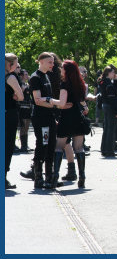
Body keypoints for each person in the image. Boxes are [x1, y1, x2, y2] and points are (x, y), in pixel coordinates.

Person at [39, 60, 89, 188]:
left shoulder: (65, 85)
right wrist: (85, 107)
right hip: (78, 117)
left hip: (67, 118)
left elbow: (61, 104)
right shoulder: (80, 84)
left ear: (66, 71)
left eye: (62, 68)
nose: (60, 69)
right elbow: (82, 101)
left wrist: (48, 99)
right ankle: (82, 176)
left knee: (59, 146)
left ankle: (55, 176)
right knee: (79, 147)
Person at [29, 52, 58, 188]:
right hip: (41, 118)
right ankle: (38, 177)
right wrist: (55, 103)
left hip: (49, 117)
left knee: (51, 145)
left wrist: (52, 105)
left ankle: (50, 177)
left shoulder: (47, 76)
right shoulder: (35, 78)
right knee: (42, 145)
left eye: (53, 62)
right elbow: (37, 100)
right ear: (41, 62)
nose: (52, 64)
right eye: (50, 62)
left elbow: (45, 99)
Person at [5, 53, 24, 189]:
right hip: (9, 113)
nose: (17, 66)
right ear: (9, 64)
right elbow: (21, 96)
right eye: (16, 64)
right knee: (8, 144)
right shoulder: (10, 77)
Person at [98, 66, 117, 157]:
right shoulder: (108, 83)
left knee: (107, 128)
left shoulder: (104, 81)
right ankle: (109, 150)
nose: (114, 74)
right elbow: (112, 98)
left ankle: (104, 149)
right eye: (113, 72)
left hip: (105, 105)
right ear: (108, 73)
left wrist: (115, 80)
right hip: (110, 106)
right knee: (111, 129)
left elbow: (115, 92)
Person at [17, 68, 33, 153]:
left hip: (28, 107)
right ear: (22, 76)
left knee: (27, 126)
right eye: (26, 74)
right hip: (22, 108)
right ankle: (23, 146)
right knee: (23, 127)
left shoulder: (27, 83)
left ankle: (26, 144)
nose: (27, 76)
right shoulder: (21, 84)